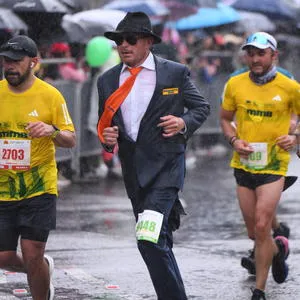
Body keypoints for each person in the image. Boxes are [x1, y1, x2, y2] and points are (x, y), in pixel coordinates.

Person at [97, 12, 210, 300]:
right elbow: (107, 126)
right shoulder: (107, 80)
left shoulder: (173, 72)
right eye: (119, 40)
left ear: (148, 42)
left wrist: (183, 122)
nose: (124, 45)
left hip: (167, 167)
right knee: (159, 240)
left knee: (148, 239)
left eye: (131, 39)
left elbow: (201, 108)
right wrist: (108, 140)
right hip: (134, 171)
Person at [220, 31, 300, 300]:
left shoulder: (290, 86)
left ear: (273, 55)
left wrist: (294, 136)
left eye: (260, 53)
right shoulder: (235, 84)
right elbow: (224, 118)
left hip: (274, 165)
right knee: (255, 232)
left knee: (264, 224)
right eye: (250, 53)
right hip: (243, 165)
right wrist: (233, 139)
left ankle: (259, 290)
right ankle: (277, 250)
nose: (254, 58)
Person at [0, 35, 76, 300]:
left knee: (32, 255)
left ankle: (40, 284)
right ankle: (42, 270)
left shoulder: (50, 95)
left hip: (39, 187)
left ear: (34, 62)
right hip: (3, 189)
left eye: (16, 61)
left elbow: (71, 138)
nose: (9, 66)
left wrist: (51, 130)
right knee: (3, 256)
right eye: (6, 61)